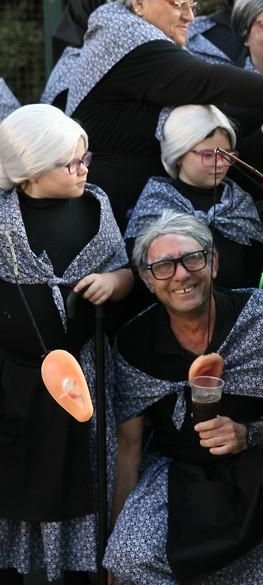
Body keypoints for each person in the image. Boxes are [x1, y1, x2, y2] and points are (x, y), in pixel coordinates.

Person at [106, 211, 263, 584]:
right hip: (182, 476)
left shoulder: (261, 318)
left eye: (193, 258)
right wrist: (116, 534)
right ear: (149, 281)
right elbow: (129, 447)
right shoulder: (135, 343)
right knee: (129, 557)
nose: (182, 274)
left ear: (213, 263)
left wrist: (250, 433)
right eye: (164, 266)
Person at [42, 0, 263, 231]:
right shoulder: (122, 33)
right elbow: (206, 81)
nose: (189, 17)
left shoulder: (147, 39)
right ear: (138, 1)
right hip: (117, 212)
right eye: (179, 4)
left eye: (193, 5)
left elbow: (218, 112)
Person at [0, 104, 133, 585]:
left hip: (84, 373)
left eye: (85, 159)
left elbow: (124, 266)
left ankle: (79, 569)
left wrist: (115, 282)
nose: (82, 170)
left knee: (84, 467)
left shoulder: (95, 207)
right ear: (30, 171)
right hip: (14, 378)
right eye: (70, 163)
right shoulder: (2, 222)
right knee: (20, 472)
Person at [124, 105, 263, 290]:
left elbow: (258, 265)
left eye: (228, 155)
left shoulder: (239, 201)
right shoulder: (157, 201)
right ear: (178, 155)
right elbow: (138, 266)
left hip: (237, 310)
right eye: (209, 155)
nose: (221, 163)